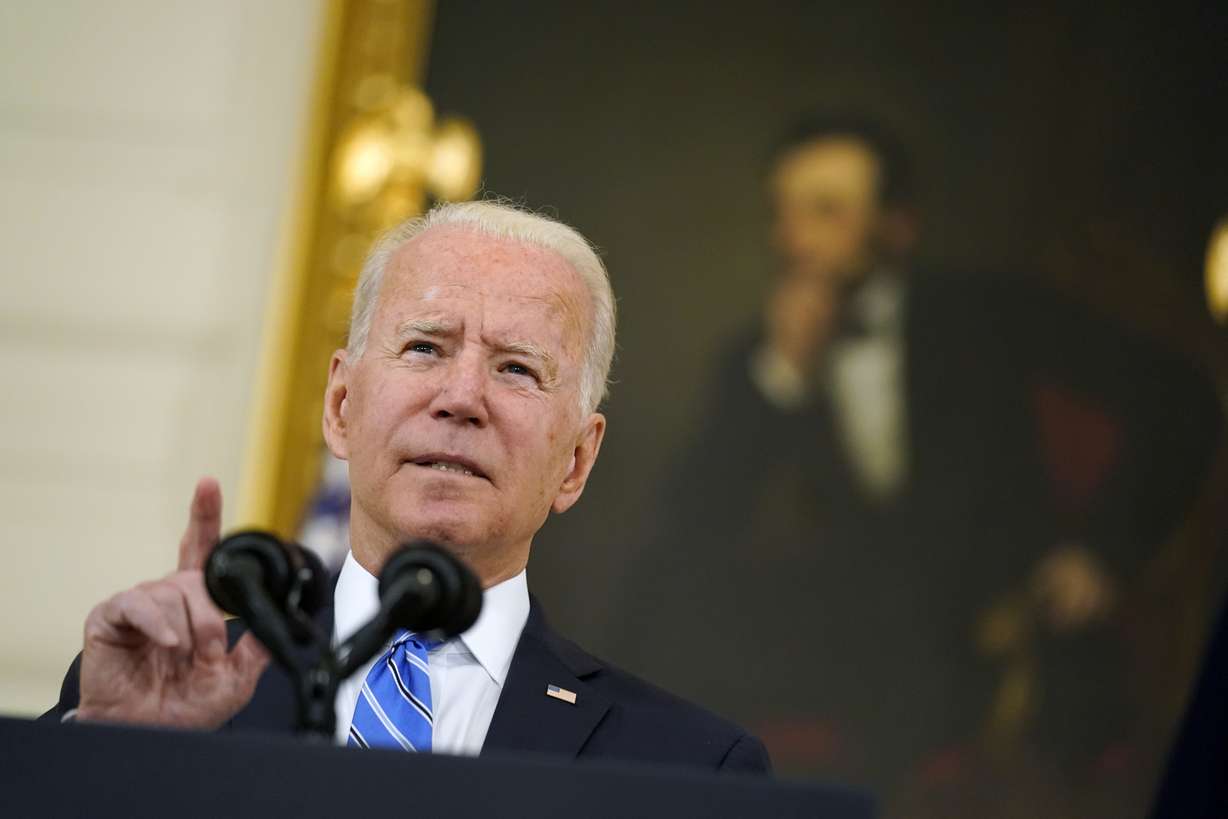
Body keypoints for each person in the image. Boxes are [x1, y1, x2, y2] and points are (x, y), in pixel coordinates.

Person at [41, 200, 770, 773]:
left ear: (576, 460)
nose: (461, 397)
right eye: (424, 347)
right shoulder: (152, 702)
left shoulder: (693, 768)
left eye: (516, 368)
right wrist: (104, 759)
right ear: (341, 406)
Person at [611, 111, 1222, 793]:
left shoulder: (990, 315)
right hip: (850, 644)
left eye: (826, 211)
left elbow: (1180, 400)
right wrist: (782, 378)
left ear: (896, 226)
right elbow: (695, 520)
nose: (794, 237)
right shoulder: (759, 356)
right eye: (784, 212)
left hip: (1000, 632)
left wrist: (1104, 548)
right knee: (658, 610)